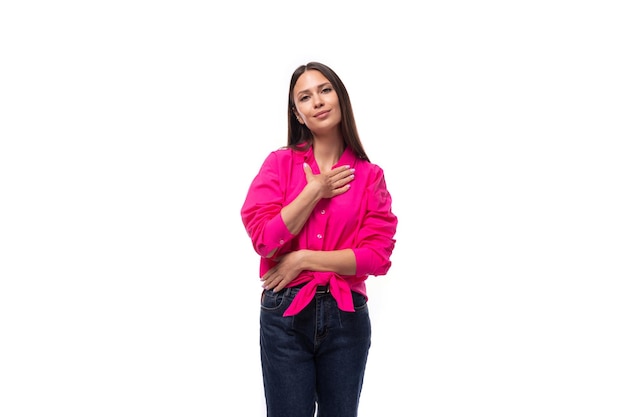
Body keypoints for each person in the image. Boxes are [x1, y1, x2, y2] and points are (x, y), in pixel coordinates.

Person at [241, 61, 398, 417]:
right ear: (297, 113)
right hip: (285, 313)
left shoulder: (370, 176)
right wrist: (315, 191)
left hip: (347, 316)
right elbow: (265, 241)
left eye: (325, 90)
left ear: (340, 97)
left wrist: (304, 258)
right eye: (305, 97)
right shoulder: (279, 165)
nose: (318, 102)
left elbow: (377, 258)